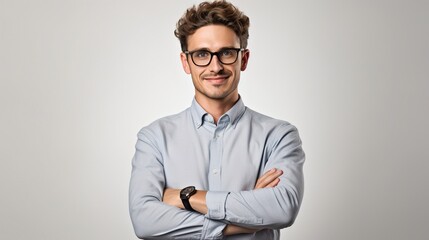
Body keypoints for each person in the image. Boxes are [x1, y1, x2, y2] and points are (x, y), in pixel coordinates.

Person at [129, 1, 305, 239]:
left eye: (226, 53)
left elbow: (282, 208)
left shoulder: (278, 135)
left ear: (243, 59)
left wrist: (186, 197)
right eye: (202, 54)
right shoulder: (154, 138)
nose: (215, 66)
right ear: (185, 62)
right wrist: (247, 216)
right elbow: (145, 221)